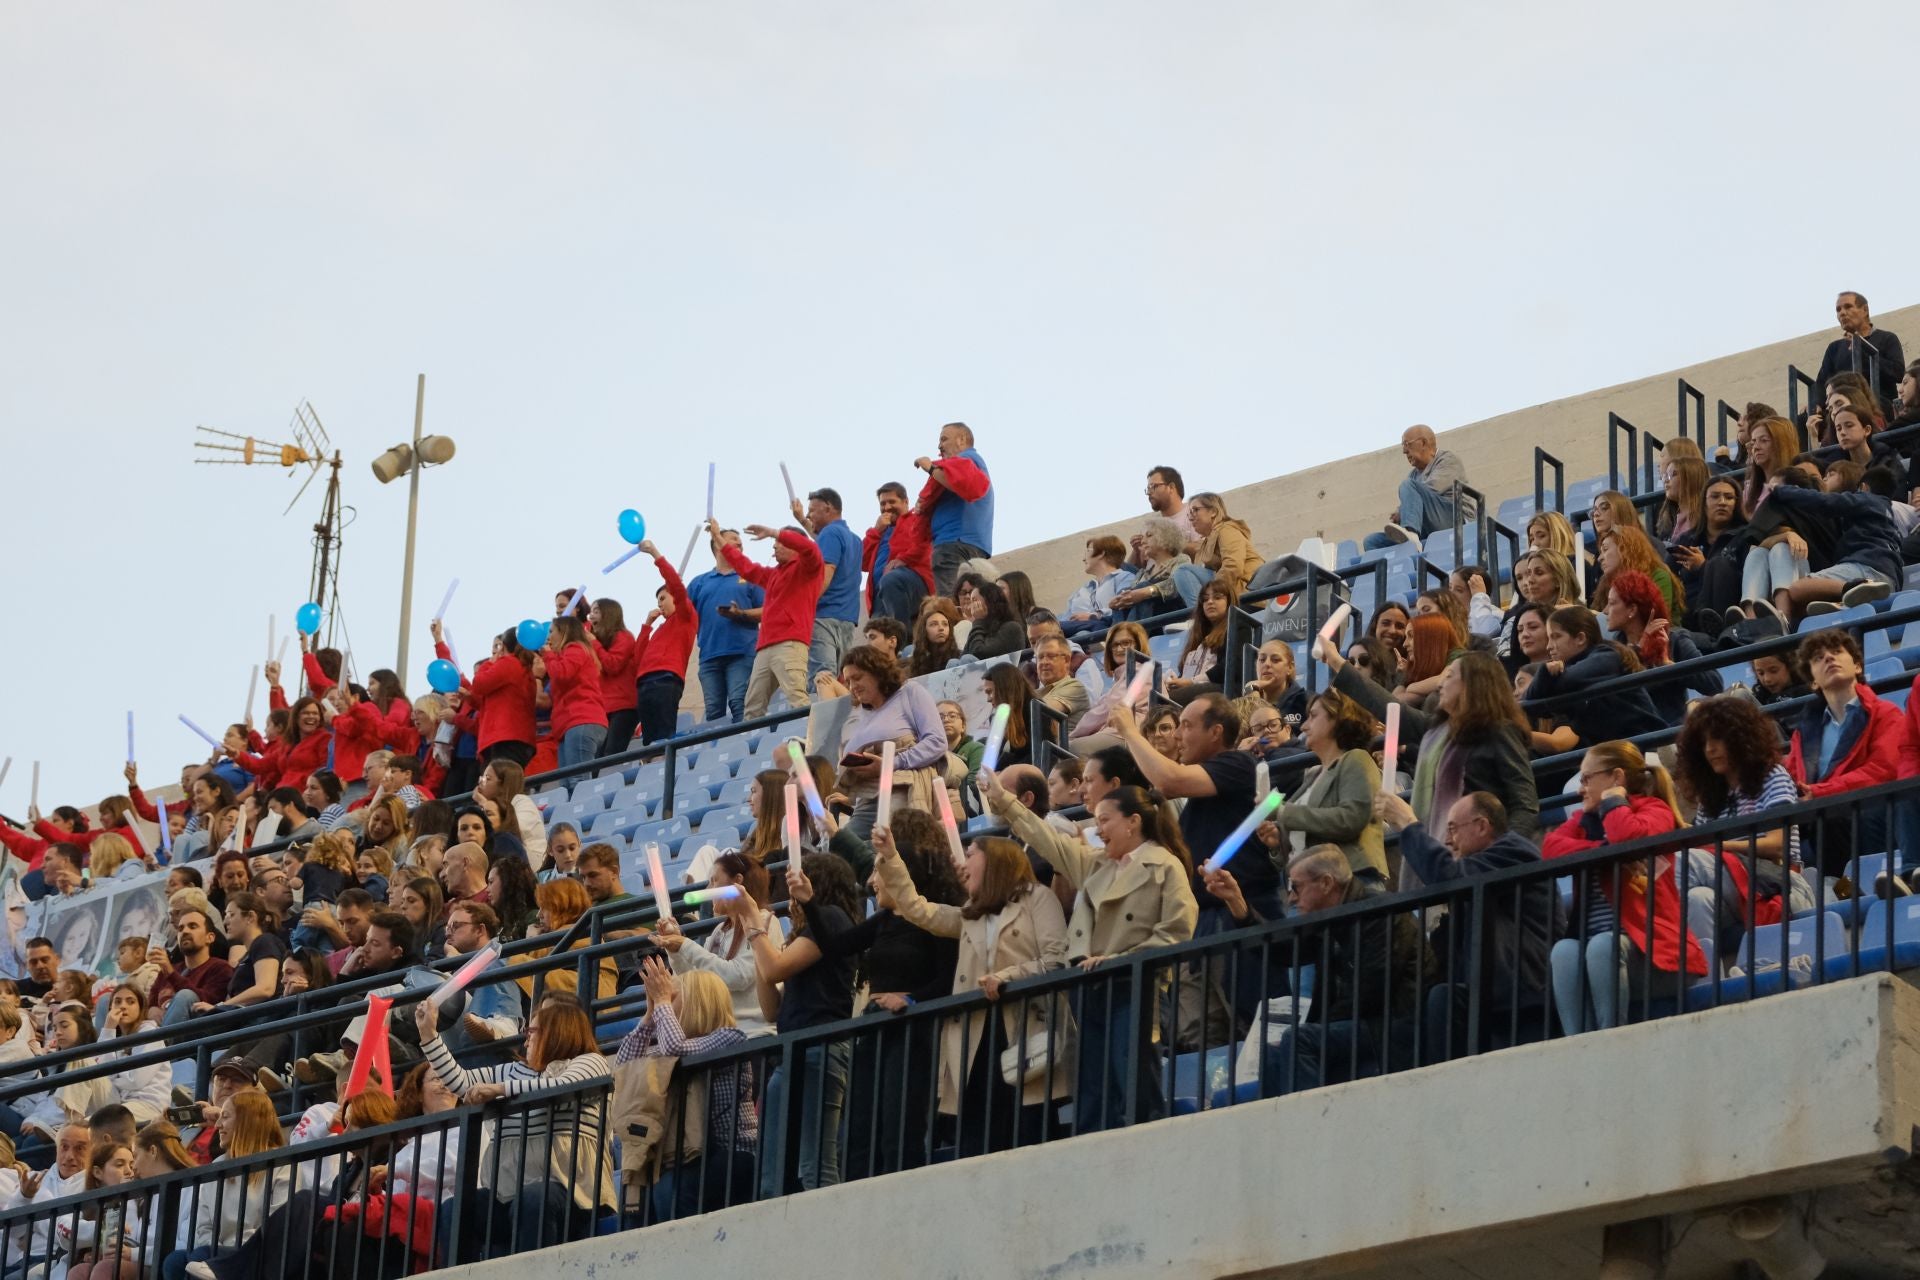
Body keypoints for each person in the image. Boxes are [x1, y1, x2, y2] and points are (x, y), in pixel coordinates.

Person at [981, 775, 1194, 1130]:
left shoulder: (1165, 865)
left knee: (1132, 1076)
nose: (1099, 829)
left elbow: (1176, 931)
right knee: (1091, 1083)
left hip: (1136, 984)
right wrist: (1003, 799)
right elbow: (1045, 838)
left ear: (1134, 822)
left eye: (1105, 820)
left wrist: (1121, 959)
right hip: (1086, 986)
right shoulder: (1096, 864)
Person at [872, 817, 1070, 1157]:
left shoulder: (1037, 898)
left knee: (1027, 1128)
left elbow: (1056, 959)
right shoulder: (970, 914)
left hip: (1024, 1027)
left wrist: (1007, 977)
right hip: (977, 1036)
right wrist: (890, 856)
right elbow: (919, 910)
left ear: (995, 861)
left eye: (970, 852)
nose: (960, 862)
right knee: (979, 1132)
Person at [415, 995, 613, 1256]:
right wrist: (429, 1034)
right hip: (507, 1194)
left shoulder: (590, 1062)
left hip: (571, 1191)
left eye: (532, 1031)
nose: (526, 1038)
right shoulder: (513, 1072)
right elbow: (461, 1082)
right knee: (456, 1208)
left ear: (557, 1032)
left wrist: (499, 1090)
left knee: (533, 1198)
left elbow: (561, 1088)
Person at [719, 853, 860, 1196]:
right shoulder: (803, 933)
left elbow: (776, 970)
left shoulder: (833, 920)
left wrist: (755, 923)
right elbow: (770, 1008)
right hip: (792, 1050)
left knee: (815, 1161)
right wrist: (757, 939)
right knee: (773, 1169)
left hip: (820, 1048)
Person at [1376, 789, 1554, 1058]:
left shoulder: (1515, 851)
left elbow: (1448, 877)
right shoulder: (1477, 868)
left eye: (1452, 829)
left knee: (1442, 1000)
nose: (1447, 840)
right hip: (1488, 992)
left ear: (1482, 826)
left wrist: (1407, 823)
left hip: (1524, 990)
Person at [1542, 741, 1696, 1034]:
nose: (1580, 789)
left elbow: (1628, 837)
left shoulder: (1654, 809)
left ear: (1617, 777)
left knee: (1602, 946)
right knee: (1563, 950)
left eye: (1587, 779)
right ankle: (1578, 1045)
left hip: (1656, 954)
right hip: (1602, 954)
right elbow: (1551, 849)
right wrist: (1603, 850)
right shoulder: (1582, 821)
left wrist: (1614, 802)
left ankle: (1611, 1038)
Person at [1320, 645, 1538, 845]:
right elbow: (1391, 707)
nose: (1440, 683)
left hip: (1484, 860)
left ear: (1473, 684)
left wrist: (1506, 852)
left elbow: (1525, 802)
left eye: (1450, 676)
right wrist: (1337, 663)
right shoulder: (1437, 730)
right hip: (1442, 854)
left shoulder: (1499, 730)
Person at [1672, 695, 1816, 954]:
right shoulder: (1711, 798)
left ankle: (1661, 939)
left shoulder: (1772, 775)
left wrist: (1718, 845)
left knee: (1686, 860)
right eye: (1703, 743)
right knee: (1697, 899)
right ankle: (1708, 985)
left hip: (1780, 884)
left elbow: (1778, 845)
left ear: (1740, 738)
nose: (1709, 750)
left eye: (1717, 739)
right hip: (1736, 892)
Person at [616, 961, 756, 1222]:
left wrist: (662, 1003)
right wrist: (649, 1014)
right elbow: (625, 1064)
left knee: (669, 1190)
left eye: (673, 997)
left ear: (697, 1002)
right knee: (641, 1198)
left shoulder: (730, 1037)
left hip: (730, 1153)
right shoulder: (670, 1045)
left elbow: (676, 1048)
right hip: (689, 1155)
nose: (666, 1003)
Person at [1784, 629, 1905, 875]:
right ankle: (1838, 890)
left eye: (1837, 652)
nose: (1829, 658)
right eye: (1818, 658)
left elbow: (1883, 771)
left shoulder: (1885, 713)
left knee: (1836, 816)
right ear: (1814, 682)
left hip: (1871, 812)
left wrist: (1819, 792)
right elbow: (1791, 779)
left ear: (1858, 667)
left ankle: (1851, 887)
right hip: (1822, 822)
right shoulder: (1804, 733)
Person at [1743, 470, 1902, 622]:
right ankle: (1839, 602)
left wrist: (1781, 490)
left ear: (1863, 488)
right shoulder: (1888, 518)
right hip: (1888, 579)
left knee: (1798, 588)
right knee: (1802, 601)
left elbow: (1825, 502)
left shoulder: (1868, 500)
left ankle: (1855, 587)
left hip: (1867, 570)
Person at [1260, 690, 1386, 880]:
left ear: (1337, 717)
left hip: (1351, 882)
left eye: (1313, 716)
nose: (1303, 726)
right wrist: (1277, 844)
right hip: (1310, 889)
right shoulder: (1312, 775)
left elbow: (1351, 819)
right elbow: (1305, 839)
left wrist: (1283, 812)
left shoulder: (1356, 759)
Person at [831, 645, 947, 837]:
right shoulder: (858, 713)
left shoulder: (910, 692)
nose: (852, 687)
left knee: (887, 847)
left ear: (877, 672)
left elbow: (937, 741)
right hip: (865, 800)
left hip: (902, 790)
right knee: (842, 853)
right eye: (848, 681)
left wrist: (890, 764)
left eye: (857, 678)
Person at [714, 515, 824, 718]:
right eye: (775, 543)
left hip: (790, 643)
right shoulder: (774, 574)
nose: (774, 547)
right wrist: (717, 537)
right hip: (765, 647)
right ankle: (752, 749)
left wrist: (774, 532)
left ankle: (808, 747)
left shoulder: (808, 568)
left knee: (797, 699)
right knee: (752, 707)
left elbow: (811, 549)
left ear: (794, 545)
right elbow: (744, 566)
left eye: (780, 543)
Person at [1523, 606, 1666, 753]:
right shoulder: (1570, 668)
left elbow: (1570, 680)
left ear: (1580, 638)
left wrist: (1546, 674)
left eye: (1556, 637)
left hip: (1650, 747)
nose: (1549, 647)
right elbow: (1532, 704)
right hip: (1618, 751)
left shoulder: (1607, 655)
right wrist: (1545, 672)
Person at [1602, 569, 1720, 725]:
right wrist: (1638, 650)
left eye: (1611, 603)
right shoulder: (1613, 649)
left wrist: (1669, 666)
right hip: (1630, 738)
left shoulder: (1674, 640)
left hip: (1668, 735)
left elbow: (1714, 683)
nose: (1605, 610)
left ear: (1632, 610)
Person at [686, 527, 765, 723]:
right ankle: (716, 753)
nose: (739, 543)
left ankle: (746, 746)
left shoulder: (751, 577)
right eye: (734, 539)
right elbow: (683, 617)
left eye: (740, 541)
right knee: (713, 712)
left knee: (739, 703)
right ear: (717, 545)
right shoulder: (699, 582)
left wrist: (741, 614)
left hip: (742, 653)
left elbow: (768, 611)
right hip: (709, 656)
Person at [791, 487, 863, 684]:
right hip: (847, 619)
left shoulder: (830, 534)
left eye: (812, 511)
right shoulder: (853, 539)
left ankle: (823, 717)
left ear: (828, 508)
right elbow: (823, 540)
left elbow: (825, 572)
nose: (808, 515)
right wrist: (802, 521)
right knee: (839, 679)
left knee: (822, 677)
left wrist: (804, 604)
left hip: (824, 617)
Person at [914, 422, 994, 596]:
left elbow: (962, 483)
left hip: (954, 544)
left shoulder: (966, 459)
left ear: (962, 439)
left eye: (944, 439)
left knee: (951, 605)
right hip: (972, 545)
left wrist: (931, 467)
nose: (939, 446)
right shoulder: (973, 463)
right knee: (971, 603)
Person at [1365, 424, 1472, 550]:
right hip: (1427, 528)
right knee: (1372, 542)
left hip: (1456, 522)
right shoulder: (1413, 475)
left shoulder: (1447, 460)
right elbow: (1414, 502)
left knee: (1408, 485)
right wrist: (1400, 515)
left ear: (1423, 443)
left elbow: (1432, 489)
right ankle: (1408, 557)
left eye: (1407, 444)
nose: (1404, 451)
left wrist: (1402, 511)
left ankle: (1411, 535)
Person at [1670, 475, 1749, 630]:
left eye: (1729, 497)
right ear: (1704, 504)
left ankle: (1710, 623)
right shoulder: (1687, 539)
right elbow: (1665, 571)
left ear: (1737, 504)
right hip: (1687, 616)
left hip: (1729, 610)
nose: (1722, 502)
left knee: (1718, 564)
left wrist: (1703, 567)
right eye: (1715, 496)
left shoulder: (1746, 536)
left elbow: (1748, 579)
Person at [532, 615, 608, 768]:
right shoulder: (565, 656)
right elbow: (548, 698)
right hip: (568, 725)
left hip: (581, 720)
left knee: (577, 778)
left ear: (564, 632)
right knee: (567, 784)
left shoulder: (576, 649)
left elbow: (562, 674)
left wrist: (548, 655)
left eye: (552, 631)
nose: (548, 637)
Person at [1068, 622, 1154, 750]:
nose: (1119, 649)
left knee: (1073, 747)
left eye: (1126, 643)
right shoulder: (1120, 678)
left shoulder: (1141, 672)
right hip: (1117, 731)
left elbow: (1111, 708)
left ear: (1138, 644)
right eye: (1114, 645)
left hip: (1134, 733)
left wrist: (1073, 735)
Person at [1814, 290, 1905, 410]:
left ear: (1865, 310)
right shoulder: (1834, 348)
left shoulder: (1887, 338)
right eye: (1838, 310)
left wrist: (1862, 351)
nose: (1842, 313)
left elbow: (1898, 373)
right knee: (1804, 418)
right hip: (1841, 406)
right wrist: (1816, 405)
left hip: (1878, 404)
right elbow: (1821, 383)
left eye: (1848, 307)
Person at [1172, 492, 1262, 607]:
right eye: (1189, 513)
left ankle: (1199, 615)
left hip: (1244, 591)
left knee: (1183, 570)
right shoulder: (1205, 545)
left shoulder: (1227, 529)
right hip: (1226, 592)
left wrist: (1212, 593)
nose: (1191, 517)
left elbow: (1233, 565)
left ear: (1213, 512)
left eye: (1195, 510)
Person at [863, 481, 932, 629]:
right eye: (883, 504)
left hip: (909, 584)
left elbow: (926, 545)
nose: (887, 507)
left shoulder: (916, 519)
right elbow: (861, 562)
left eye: (892, 502)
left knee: (891, 580)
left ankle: (903, 636)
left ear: (905, 501)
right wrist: (875, 531)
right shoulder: (880, 532)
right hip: (880, 598)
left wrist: (903, 559)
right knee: (877, 638)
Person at [1108, 517, 1191, 623]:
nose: (1143, 541)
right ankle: (1119, 636)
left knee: (1143, 587)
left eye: (1149, 535)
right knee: (1122, 597)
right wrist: (1118, 601)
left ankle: (1132, 635)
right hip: (1147, 617)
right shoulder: (1142, 573)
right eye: (1142, 537)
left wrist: (1146, 592)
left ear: (1166, 537)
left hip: (1170, 614)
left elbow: (1178, 585)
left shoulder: (1181, 559)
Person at [1164, 580, 1232, 705]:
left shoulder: (1237, 628)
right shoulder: (1198, 636)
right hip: (1196, 689)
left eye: (1217, 597)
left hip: (1221, 690)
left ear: (1229, 602)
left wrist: (1191, 682)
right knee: (1160, 695)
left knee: (1166, 702)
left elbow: (1229, 667)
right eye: (1205, 600)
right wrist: (1176, 681)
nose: (1210, 602)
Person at [1061, 536, 1136, 637]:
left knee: (1083, 634)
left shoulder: (1125, 578)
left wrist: (1093, 616)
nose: (1083, 559)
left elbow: (1123, 608)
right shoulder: (1081, 591)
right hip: (1073, 635)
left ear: (1101, 553)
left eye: (1088, 551)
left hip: (1107, 634)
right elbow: (1064, 620)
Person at [1127, 465, 1195, 570]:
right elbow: (1132, 570)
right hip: (1148, 580)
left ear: (1171, 487)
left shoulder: (1193, 513)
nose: (1149, 493)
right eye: (1148, 489)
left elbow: (1203, 549)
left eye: (1154, 486)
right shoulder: (1150, 524)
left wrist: (1167, 543)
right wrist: (1136, 551)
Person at [958, 575, 1023, 660]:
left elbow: (978, 653)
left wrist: (978, 620)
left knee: (967, 659)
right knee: (953, 662)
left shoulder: (1012, 627)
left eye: (974, 600)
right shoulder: (982, 627)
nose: (971, 606)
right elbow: (963, 655)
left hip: (1001, 672)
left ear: (989, 601)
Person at [907, 597, 963, 676]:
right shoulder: (917, 661)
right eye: (934, 624)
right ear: (924, 629)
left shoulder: (959, 657)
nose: (941, 628)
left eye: (945, 624)